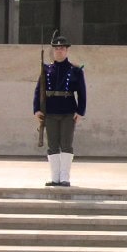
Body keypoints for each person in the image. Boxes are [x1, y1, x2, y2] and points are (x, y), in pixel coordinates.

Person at [33, 35, 86, 187]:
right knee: (53, 145)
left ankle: (64, 177)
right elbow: (39, 90)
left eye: (62, 48)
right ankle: (55, 178)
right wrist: (36, 109)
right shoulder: (47, 69)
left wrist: (80, 111)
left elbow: (82, 93)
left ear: (67, 50)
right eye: (56, 49)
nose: (59, 51)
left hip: (68, 111)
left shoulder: (75, 70)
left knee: (66, 144)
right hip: (50, 111)